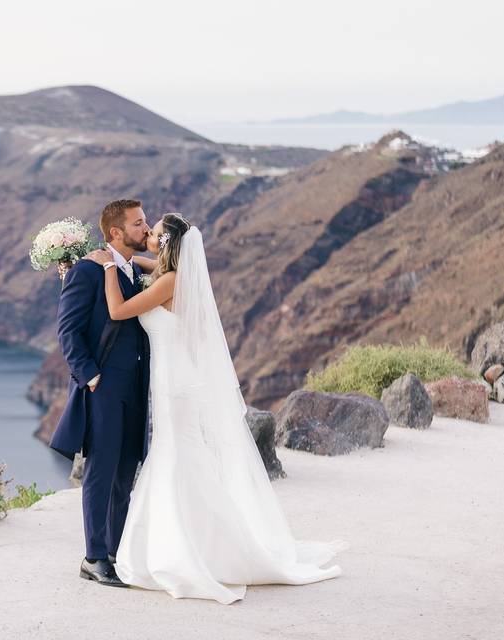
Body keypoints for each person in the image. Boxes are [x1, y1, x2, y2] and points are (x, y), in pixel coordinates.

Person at [82, 212, 349, 605]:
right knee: (180, 458)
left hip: (175, 387)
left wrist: (107, 268)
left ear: (169, 245)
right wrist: (121, 259)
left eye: (154, 233)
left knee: (176, 459)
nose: (149, 237)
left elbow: (120, 311)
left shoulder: (171, 282)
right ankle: (203, 540)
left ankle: (192, 549)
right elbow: (146, 263)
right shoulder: (173, 274)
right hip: (176, 382)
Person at [49, 198, 151, 587]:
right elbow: (68, 330)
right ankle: (93, 557)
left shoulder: (130, 267)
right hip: (104, 388)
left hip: (136, 388)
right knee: (100, 472)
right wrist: (89, 376)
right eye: (139, 223)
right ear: (116, 232)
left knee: (126, 471)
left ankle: (115, 551)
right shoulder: (87, 271)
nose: (145, 229)